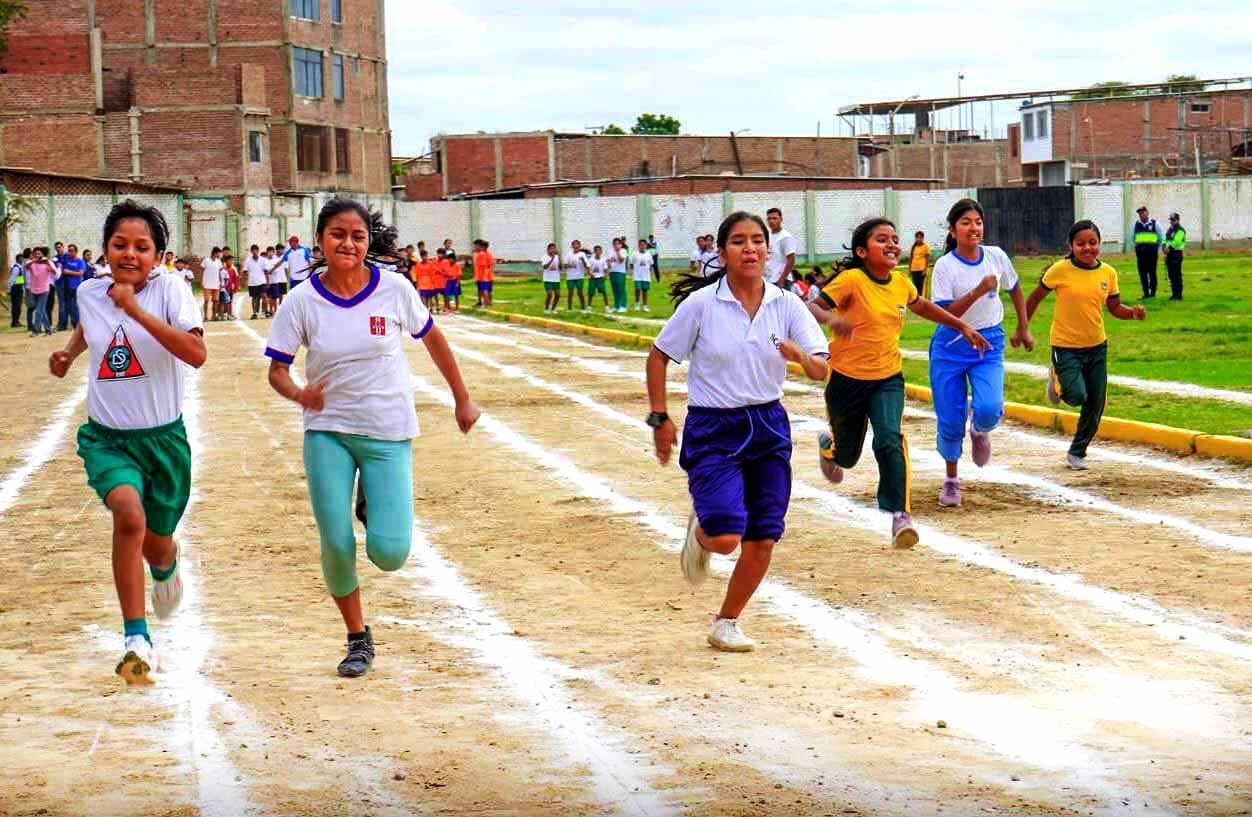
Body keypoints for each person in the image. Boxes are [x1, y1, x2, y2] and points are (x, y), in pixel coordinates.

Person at [264, 198, 480, 677]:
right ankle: (357, 637)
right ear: (320, 239)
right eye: (338, 234)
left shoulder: (395, 289)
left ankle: (370, 503)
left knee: (390, 553)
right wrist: (301, 394)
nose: (348, 243)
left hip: (387, 430)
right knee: (337, 542)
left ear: (368, 242)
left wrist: (461, 397)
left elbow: (433, 339)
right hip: (328, 433)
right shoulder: (302, 300)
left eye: (357, 236)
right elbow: (277, 371)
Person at [648, 211, 830, 652]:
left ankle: (726, 621)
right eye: (738, 241)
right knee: (727, 537)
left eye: (757, 241)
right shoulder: (701, 305)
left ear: (769, 250)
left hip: (768, 425)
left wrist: (801, 359)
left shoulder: (786, 304)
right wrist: (660, 418)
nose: (749, 248)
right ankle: (702, 530)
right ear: (722, 252)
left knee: (764, 534)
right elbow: (657, 357)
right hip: (714, 428)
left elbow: (822, 368)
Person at [48, 200, 206, 684]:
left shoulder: (171, 290)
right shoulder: (92, 291)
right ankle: (136, 638)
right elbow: (91, 324)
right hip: (108, 438)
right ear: (105, 249)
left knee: (157, 545)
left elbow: (196, 353)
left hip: (163, 442)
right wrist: (70, 353)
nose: (130, 254)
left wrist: (136, 309)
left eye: (142, 247)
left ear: (158, 255)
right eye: (120, 245)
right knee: (128, 515)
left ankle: (166, 565)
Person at [809, 217, 990, 547]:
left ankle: (900, 516)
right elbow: (812, 307)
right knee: (847, 457)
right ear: (862, 251)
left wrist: (962, 327)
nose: (892, 244)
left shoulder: (901, 283)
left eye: (894, 238)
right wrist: (833, 318)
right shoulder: (851, 280)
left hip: (887, 378)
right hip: (846, 380)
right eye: (882, 240)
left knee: (890, 439)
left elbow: (924, 307)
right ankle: (829, 447)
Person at [928, 199, 1034, 507]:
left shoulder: (997, 256)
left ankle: (979, 430)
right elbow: (944, 313)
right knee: (949, 418)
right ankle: (951, 479)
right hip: (951, 344)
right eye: (965, 223)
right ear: (952, 230)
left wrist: (1023, 327)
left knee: (989, 407)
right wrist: (977, 290)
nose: (973, 228)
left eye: (977, 222)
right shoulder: (945, 266)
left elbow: (1014, 288)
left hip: (988, 342)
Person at [1026, 220, 1146, 470]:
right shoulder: (1060, 270)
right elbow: (1036, 297)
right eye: (1081, 244)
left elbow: (1114, 308)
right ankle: (1056, 379)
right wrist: (1022, 327)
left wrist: (1132, 313)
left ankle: (1077, 451)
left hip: (1097, 347)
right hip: (1065, 346)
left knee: (1096, 402)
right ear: (1071, 245)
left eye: (1093, 243)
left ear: (1100, 244)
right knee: (1077, 395)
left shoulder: (1108, 274)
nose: (1087, 248)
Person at [1131, 205, 1163, 299]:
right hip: (1141, 254)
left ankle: (1152, 293)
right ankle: (1146, 293)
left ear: (1147, 213)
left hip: (1152, 253)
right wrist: (1138, 247)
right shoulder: (1136, 224)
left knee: (1152, 273)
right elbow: (1133, 238)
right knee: (1142, 273)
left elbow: (1160, 237)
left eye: (1143, 212)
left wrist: (1156, 247)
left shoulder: (1154, 223)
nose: (1141, 215)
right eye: (1140, 213)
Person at [26, 248, 57, 336]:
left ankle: (36, 331)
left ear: (42, 255)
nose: (37, 255)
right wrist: (34, 260)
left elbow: (54, 272)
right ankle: (48, 330)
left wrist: (47, 262)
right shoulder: (31, 263)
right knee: (42, 311)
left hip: (44, 290)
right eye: (35, 254)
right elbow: (26, 266)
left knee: (39, 311)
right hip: (34, 290)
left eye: (39, 254)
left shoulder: (47, 264)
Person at [764, 207, 797, 288]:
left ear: (781, 219)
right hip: (769, 280)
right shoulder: (768, 236)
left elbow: (791, 259)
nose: (771, 221)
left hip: (780, 281)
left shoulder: (786, 237)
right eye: (769, 219)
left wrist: (782, 280)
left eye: (775, 218)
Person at [57, 244, 88, 330]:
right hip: (68, 287)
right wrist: (73, 272)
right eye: (69, 250)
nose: (70, 252)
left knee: (77, 306)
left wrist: (69, 272)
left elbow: (80, 273)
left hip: (77, 286)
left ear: (76, 251)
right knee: (70, 306)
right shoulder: (67, 261)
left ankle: (78, 324)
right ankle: (73, 323)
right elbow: (63, 271)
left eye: (72, 250)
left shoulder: (80, 261)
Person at [1164, 212, 1185, 301]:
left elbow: (1177, 242)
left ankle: (1178, 295)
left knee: (1177, 275)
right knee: (1171, 275)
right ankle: (1173, 294)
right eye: (1171, 220)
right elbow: (1165, 239)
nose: (1172, 222)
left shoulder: (1181, 230)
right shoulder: (1170, 229)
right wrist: (1163, 247)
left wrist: (1168, 248)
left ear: (1177, 220)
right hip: (1169, 254)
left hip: (1176, 254)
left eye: (1173, 220)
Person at [563, 240, 589, 313]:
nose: (576, 246)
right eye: (574, 245)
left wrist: (583, 260)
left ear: (579, 246)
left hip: (579, 276)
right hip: (570, 277)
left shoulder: (582, 254)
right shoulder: (568, 254)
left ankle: (583, 307)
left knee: (580, 292)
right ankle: (569, 308)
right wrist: (569, 265)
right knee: (570, 292)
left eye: (577, 245)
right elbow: (564, 265)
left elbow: (586, 265)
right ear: (572, 246)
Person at [200, 247, 222, 322]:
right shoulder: (206, 260)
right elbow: (202, 271)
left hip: (216, 284)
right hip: (207, 284)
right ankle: (206, 316)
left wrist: (220, 282)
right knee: (206, 301)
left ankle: (213, 316)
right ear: (215, 253)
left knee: (215, 301)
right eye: (219, 253)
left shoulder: (219, 262)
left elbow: (219, 272)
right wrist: (201, 281)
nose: (220, 254)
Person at [632, 238, 654, 311]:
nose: (642, 246)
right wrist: (635, 271)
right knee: (637, 289)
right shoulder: (635, 254)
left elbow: (651, 265)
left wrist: (650, 273)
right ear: (638, 246)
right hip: (637, 275)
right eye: (640, 245)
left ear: (646, 246)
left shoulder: (648, 254)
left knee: (645, 290)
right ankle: (637, 304)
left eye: (643, 245)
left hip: (646, 276)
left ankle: (645, 305)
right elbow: (632, 264)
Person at [608, 238, 629, 312]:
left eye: (618, 244)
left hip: (620, 272)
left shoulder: (623, 251)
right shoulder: (610, 251)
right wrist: (609, 264)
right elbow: (609, 261)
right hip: (612, 272)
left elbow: (621, 260)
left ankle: (623, 306)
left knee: (621, 289)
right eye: (614, 244)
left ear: (621, 244)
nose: (616, 245)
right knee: (615, 289)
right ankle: (617, 306)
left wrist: (617, 251)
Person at [472, 239, 495, 307]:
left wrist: (481, 277)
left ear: (480, 246)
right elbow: (491, 264)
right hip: (488, 275)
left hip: (482, 276)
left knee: (483, 290)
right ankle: (488, 303)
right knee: (488, 290)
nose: (475, 248)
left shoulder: (481, 255)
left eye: (476, 246)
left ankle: (486, 304)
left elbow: (483, 266)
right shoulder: (487, 253)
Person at [588, 245, 610, 311]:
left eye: (599, 250)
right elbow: (588, 268)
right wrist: (590, 274)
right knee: (591, 293)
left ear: (601, 252)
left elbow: (606, 268)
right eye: (596, 250)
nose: (598, 252)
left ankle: (607, 307)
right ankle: (589, 306)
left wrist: (606, 275)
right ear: (594, 251)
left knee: (604, 292)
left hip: (600, 278)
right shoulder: (591, 259)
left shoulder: (603, 260)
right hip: (593, 278)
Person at [541, 243, 562, 313]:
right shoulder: (545, 257)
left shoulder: (557, 256)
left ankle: (553, 308)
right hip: (548, 279)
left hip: (556, 279)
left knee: (558, 294)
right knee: (549, 294)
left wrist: (559, 258)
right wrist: (552, 259)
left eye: (554, 248)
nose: (553, 250)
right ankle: (546, 308)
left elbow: (561, 268)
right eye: (551, 248)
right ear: (548, 249)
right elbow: (545, 267)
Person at [908, 231, 930, 295]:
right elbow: (911, 258)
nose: (919, 239)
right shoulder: (913, 247)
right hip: (914, 269)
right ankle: (916, 300)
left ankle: (922, 300)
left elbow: (927, 259)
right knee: (915, 286)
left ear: (923, 238)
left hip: (921, 269)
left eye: (920, 237)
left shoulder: (926, 246)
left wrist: (925, 269)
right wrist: (909, 269)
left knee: (921, 287)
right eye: (917, 237)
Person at [8, 249, 26, 328]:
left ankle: (17, 321)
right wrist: (9, 290)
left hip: (19, 289)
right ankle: (14, 322)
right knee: (16, 306)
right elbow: (11, 280)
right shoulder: (16, 268)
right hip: (15, 289)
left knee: (18, 306)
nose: (23, 260)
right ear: (19, 259)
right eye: (22, 258)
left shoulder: (20, 268)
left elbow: (20, 280)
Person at [442, 248, 462, 313]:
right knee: (447, 294)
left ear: (454, 259)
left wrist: (457, 283)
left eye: (451, 259)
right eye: (449, 259)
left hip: (455, 281)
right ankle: (448, 308)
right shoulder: (447, 265)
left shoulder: (457, 265)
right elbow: (445, 273)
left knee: (456, 295)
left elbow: (459, 275)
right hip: (449, 281)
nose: (450, 260)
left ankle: (457, 308)